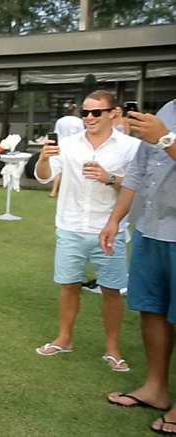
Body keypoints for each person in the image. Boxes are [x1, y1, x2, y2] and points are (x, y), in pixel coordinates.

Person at [33, 90, 140, 372]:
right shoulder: (68, 145)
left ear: (113, 113)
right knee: (69, 285)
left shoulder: (129, 146)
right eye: (85, 112)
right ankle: (64, 338)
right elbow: (44, 176)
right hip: (70, 225)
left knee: (111, 290)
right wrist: (43, 158)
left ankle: (113, 349)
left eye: (96, 112)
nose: (89, 117)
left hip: (108, 228)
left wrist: (110, 177)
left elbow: (136, 186)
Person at [100, 100, 175, 434]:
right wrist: (115, 219)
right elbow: (138, 172)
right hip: (151, 228)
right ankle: (156, 388)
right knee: (152, 309)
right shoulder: (168, 110)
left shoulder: (162, 126)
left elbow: (162, 146)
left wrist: (167, 140)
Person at [50, 102, 86, 197]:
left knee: (58, 169)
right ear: (74, 111)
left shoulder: (60, 121)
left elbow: (56, 134)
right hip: (76, 147)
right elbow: (82, 134)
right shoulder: (79, 121)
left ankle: (53, 191)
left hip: (61, 146)